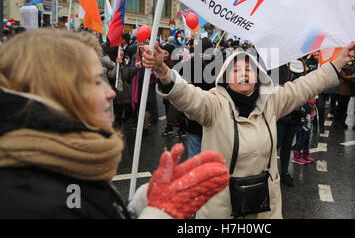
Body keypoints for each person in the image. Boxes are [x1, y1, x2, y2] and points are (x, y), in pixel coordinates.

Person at [0, 29, 229, 218]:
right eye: (98, 81)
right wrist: (160, 214)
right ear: (56, 93)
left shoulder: (67, 161)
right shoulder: (31, 197)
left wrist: (140, 205)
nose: (110, 92)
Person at [142, 40, 355, 218]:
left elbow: (305, 85)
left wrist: (336, 64)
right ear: (225, 78)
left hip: (266, 209)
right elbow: (187, 95)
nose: (243, 74)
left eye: (248, 69)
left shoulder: (271, 101)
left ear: (257, 77)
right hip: (222, 209)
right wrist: (162, 69)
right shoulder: (213, 104)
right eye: (235, 70)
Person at [274, 58, 308, 186]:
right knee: (276, 144)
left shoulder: (302, 66)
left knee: (288, 145)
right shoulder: (279, 66)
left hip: (296, 115)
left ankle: (284, 172)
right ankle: (268, 172)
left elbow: (305, 89)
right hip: (281, 114)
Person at [333, 49, 355, 128]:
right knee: (340, 106)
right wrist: (353, 76)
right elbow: (343, 76)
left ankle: (342, 121)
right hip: (342, 89)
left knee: (345, 106)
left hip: (349, 89)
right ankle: (336, 121)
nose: (352, 56)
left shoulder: (353, 64)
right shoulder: (343, 64)